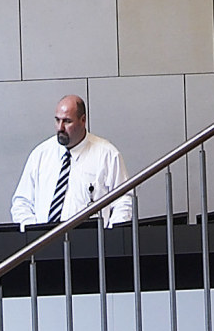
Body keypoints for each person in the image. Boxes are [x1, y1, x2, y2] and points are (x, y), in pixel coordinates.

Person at [10, 93, 133, 231]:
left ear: (83, 120)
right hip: (43, 244)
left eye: (67, 121)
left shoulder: (107, 155)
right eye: (57, 120)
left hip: (92, 244)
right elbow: (22, 202)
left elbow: (123, 202)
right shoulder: (40, 154)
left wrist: (109, 237)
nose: (60, 128)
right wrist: (34, 233)